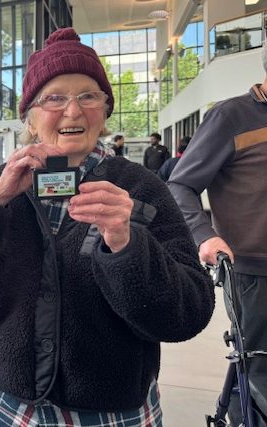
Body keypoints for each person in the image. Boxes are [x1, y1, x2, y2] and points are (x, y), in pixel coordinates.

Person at [0, 27, 214, 426]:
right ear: (30, 118)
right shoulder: (4, 182)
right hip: (12, 405)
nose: (73, 110)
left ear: (105, 110)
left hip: (112, 410)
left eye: (88, 96)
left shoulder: (141, 189)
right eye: (54, 98)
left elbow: (189, 313)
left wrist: (127, 245)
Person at [168, 43, 267, 423]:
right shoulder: (230, 116)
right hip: (254, 275)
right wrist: (205, 236)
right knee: (260, 377)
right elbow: (180, 186)